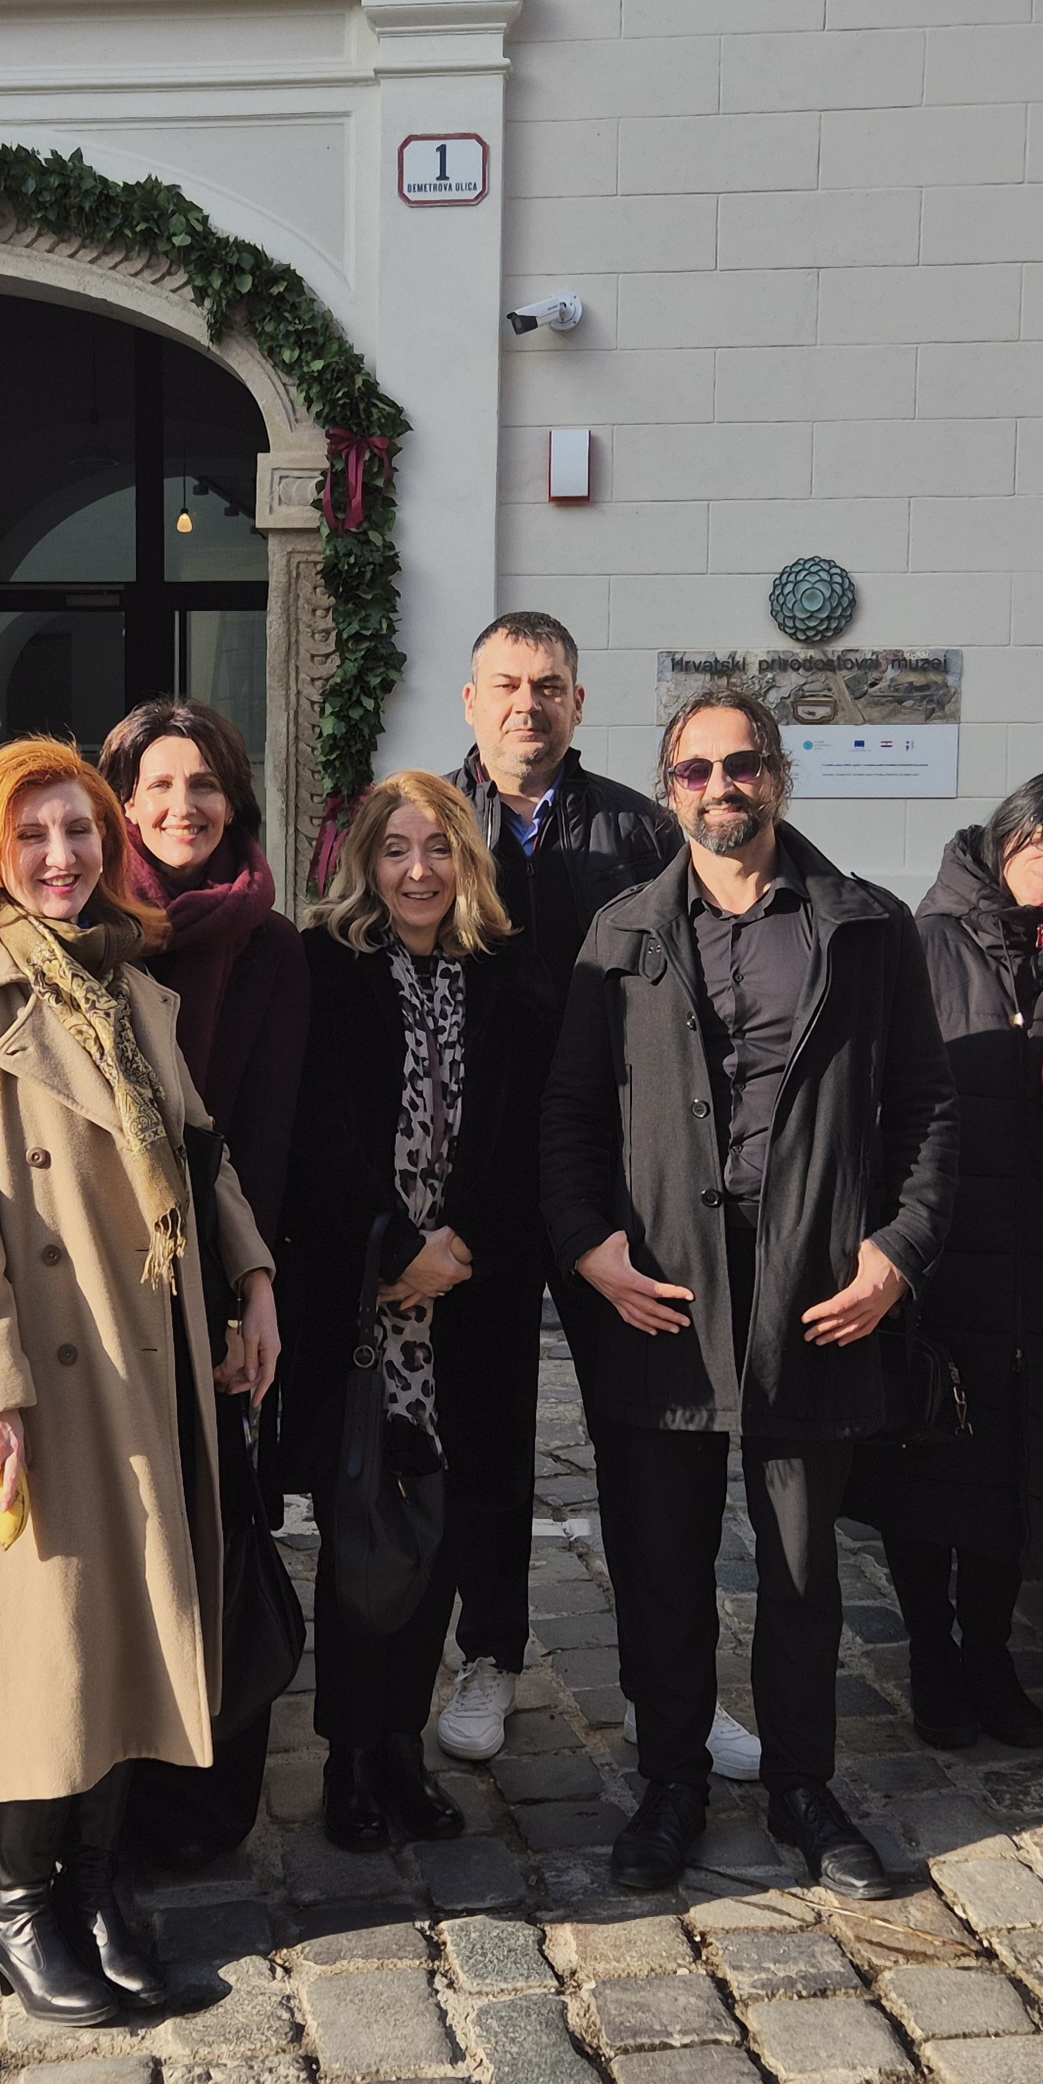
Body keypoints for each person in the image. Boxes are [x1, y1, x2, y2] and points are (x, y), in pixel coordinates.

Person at [541, 686, 954, 1899]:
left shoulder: (864, 924)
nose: (721, 787)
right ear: (668, 791)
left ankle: (801, 1787)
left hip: (811, 1293)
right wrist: (587, 1246)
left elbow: (926, 1108)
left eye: (742, 764)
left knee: (802, 1570)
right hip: (658, 1291)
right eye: (695, 770)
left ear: (778, 773)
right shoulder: (621, 931)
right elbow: (568, 1113)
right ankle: (669, 1782)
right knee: (658, 1562)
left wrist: (898, 1251)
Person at [0, 698, 306, 1871]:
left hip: (149, 1354)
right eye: (32, 836)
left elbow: (197, 1149)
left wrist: (254, 1276)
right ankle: (21, 1902)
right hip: (44, 1368)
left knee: (129, 1633)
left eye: (78, 831)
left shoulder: (127, 984)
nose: (60, 856)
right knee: (48, 1647)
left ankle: (98, 1887)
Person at [440, 612, 692, 1775]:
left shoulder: (642, 832)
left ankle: (662, 1683)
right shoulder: (428, 826)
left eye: (547, 686)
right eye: (505, 684)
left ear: (578, 703)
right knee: (483, 1432)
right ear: (471, 699)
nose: (525, 704)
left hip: (614, 1180)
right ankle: (488, 1653)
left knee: (644, 1437)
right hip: (479, 1177)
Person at [275, 772, 546, 1849]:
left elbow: (522, 1135)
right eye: (396, 849)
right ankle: (349, 1756)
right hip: (363, 1303)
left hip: (468, 1306)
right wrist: (392, 1252)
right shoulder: (325, 968)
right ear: (367, 864)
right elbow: (315, 1133)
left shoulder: (506, 976)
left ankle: (401, 1747)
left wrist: (458, 1251)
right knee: (363, 1535)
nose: (418, 870)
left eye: (438, 848)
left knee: (438, 1531)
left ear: (467, 861)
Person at [860, 769, 1043, 1753]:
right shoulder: (920, 940)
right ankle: (931, 1654)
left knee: (1015, 1468)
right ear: (1008, 827)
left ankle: (988, 1651)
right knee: (927, 1460)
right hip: (941, 1251)